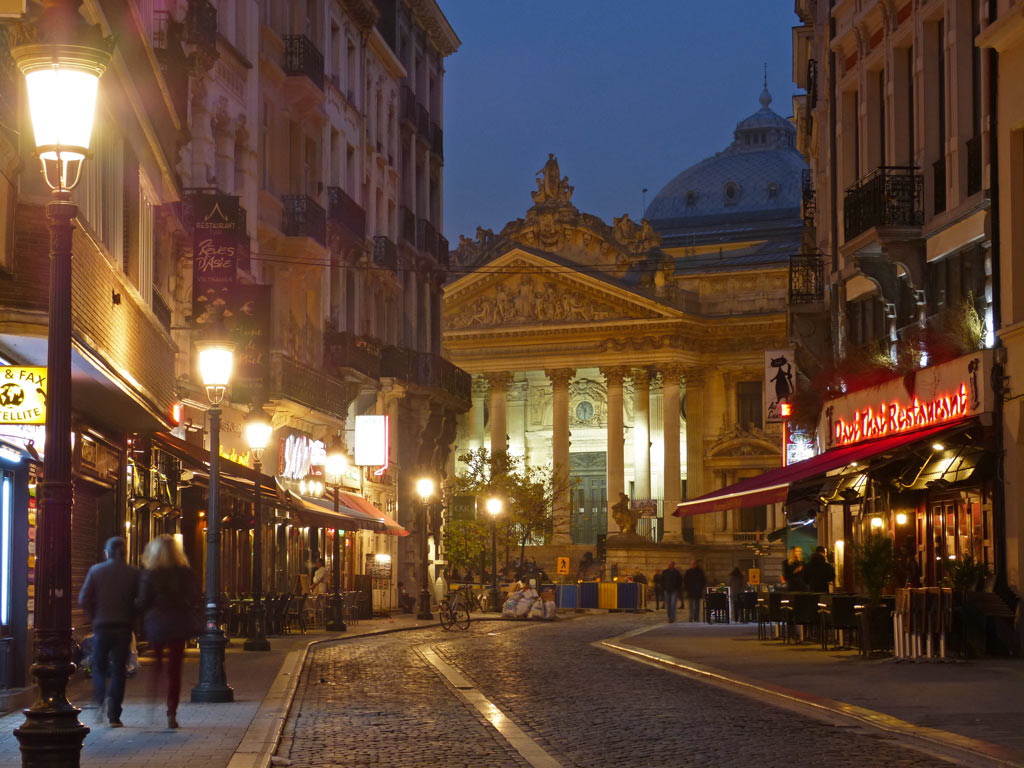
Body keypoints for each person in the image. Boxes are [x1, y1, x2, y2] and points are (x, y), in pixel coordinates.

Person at [136, 534, 200, 730]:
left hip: (156, 624)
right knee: (174, 670)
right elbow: (194, 595)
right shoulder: (184, 572)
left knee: (156, 666)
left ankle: (150, 707)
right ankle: (171, 711)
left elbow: (142, 600)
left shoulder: (150, 573)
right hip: (179, 624)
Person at [79, 536, 140, 728]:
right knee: (118, 671)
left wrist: (94, 615)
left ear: (107, 553)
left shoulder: (96, 571)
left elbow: (83, 599)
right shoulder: (133, 573)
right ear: (125, 553)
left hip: (102, 626)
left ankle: (100, 700)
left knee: (98, 666)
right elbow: (141, 601)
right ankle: (115, 715)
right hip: (123, 628)